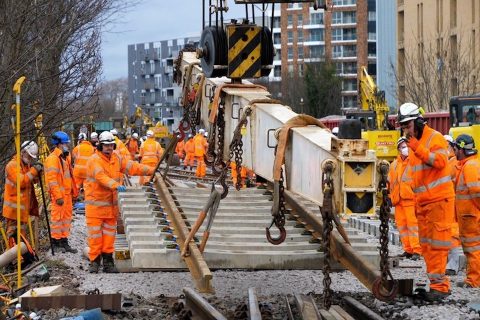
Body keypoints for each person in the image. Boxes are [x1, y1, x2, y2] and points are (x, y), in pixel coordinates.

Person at [398, 102, 455, 301]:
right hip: (423, 203)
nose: (406, 130)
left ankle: (440, 286)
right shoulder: (415, 146)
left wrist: (418, 147)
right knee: (427, 246)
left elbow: (439, 162)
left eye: (408, 125)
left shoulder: (434, 138)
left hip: (438, 201)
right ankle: (436, 285)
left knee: (437, 245)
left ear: (419, 122)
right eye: (404, 126)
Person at [85, 131, 155, 273]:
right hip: (96, 207)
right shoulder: (94, 160)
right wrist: (116, 185)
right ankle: (94, 262)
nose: (109, 148)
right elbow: (101, 177)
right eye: (106, 145)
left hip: (111, 207)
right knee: (95, 237)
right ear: (100, 145)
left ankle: (108, 263)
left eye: (111, 145)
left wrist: (151, 170)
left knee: (109, 237)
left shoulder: (116, 158)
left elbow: (132, 167)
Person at [2, 141, 42, 248]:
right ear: (23, 152)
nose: (30, 159)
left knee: (21, 236)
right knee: (13, 236)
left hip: (22, 210)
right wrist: (34, 171)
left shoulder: (25, 165)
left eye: (31, 157)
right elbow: (22, 182)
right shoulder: (12, 165)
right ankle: (13, 261)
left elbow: (33, 181)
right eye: (29, 156)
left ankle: (21, 259)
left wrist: (38, 173)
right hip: (13, 210)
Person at [452, 134, 480, 288]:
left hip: (470, 216)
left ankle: (474, 281)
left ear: (462, 149)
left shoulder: (470, 166)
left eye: (456, 148)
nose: (454, 151)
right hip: (468, 215)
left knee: (473, 249)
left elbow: (477, 192)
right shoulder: (467, 165)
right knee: (472, 249)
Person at [388, 137, 422, 260]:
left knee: (413, 226)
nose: (405, 149)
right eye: (402, 147)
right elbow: (390, 183)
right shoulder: (394, 165)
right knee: (402, 226)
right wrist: (388, 197)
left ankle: (417, 250)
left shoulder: (414, 162)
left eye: (407, 146)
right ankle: (408, 249)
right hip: (398, 201)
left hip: (410, 200)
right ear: (398, 149)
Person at [44, 131, 78, 253]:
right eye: (65, 143)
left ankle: (64, 241)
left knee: (66, 219)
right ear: (58, 144)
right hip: (59, 197)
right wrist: (58, 196)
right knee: (57, 220)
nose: (67, 145)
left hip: (67, 195)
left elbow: (70, 176)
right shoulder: (53, 159)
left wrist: (74, 192)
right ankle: (56, 242)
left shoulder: (65, 157)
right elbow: (52, 181)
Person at [443, 134, 463, 276]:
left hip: (454, 204)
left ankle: (453, 264)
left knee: (454, 235)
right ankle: (449, 263)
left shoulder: (454, 163)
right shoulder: (448, 162)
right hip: (447, 203)